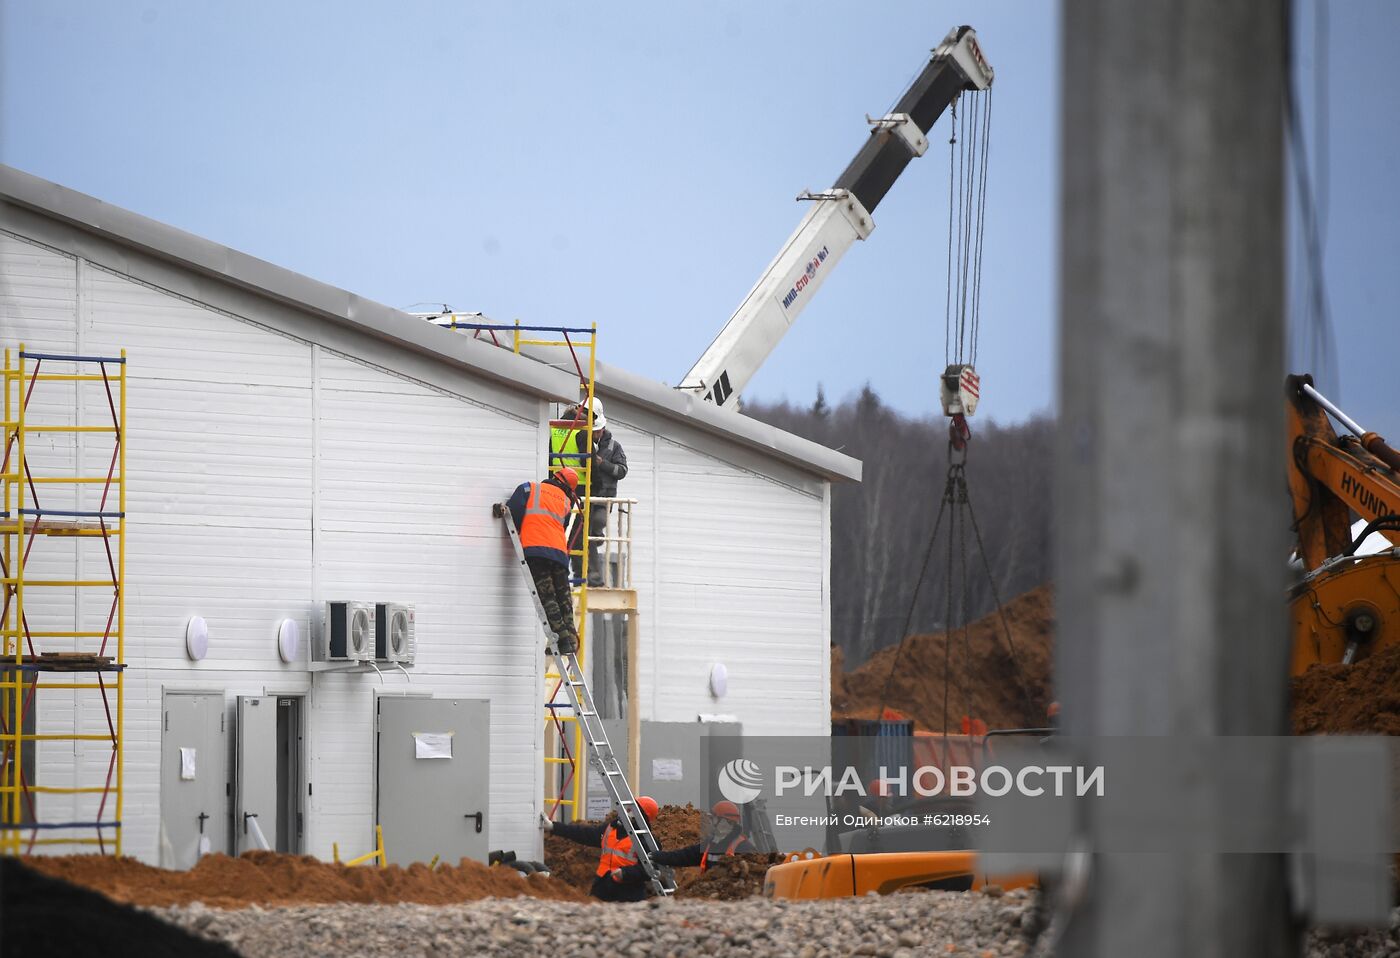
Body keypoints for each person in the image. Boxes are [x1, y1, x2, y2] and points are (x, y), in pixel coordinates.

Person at [506, 467, 580, 654]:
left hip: (537, 550)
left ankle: (561, 639)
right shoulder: (565, 502)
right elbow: (561, 526)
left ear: (555, 477)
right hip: (560, 554)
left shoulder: (529, 489)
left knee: (547, 596)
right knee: (563, 598)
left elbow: (513, 512)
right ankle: (570, 638)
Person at [540, 796, 662, 902]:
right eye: (629, 807)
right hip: (602, 887)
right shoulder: (611, 829)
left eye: (633, 808)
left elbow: (651, 870)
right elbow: (584, 833)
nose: (628, 810)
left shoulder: (647, 840)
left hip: (628, 894)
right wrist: (554, 827)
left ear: (642, 816)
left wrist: (625, 873)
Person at [568, 398, 628, 587]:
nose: (595, 434)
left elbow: (622, 471)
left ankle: (592, 575)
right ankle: (588, 575)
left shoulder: (613, 447)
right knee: (582, 536)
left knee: (593, 528)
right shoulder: (582, 438)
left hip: (602, 500)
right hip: (585, 497)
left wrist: (603, 464)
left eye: (596, 431)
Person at [649, 800, 756, 873]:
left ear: (726, 822)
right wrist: (658, 856)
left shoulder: (744, 848)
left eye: (713, 818)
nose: (710, 822)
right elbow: (684, 856)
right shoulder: (711, 844)